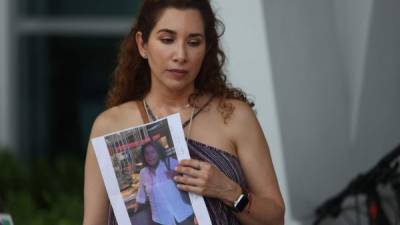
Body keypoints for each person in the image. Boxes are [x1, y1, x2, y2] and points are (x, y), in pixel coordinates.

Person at [83, 0, 285, 225]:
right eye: (167, 40)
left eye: (193, 42)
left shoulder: (234, 117)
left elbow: (275, 219)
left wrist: (229, 191)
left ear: (207, 48)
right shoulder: (110, 126)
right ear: (142, 44)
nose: (180, 55)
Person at [134, 141, 194, 225]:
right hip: (161, 220)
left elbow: (191, 176)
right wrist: (133, 209)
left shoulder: (170, 163)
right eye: (146, 153)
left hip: (184, 215)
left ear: (158, 152)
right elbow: (141, 194)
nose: (150, 156)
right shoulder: (143, 173)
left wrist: (177, 175)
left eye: (153, 152)